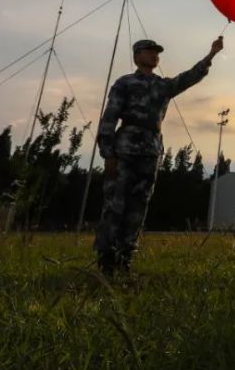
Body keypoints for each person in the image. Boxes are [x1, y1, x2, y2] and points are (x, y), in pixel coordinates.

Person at [94, 36, 223, 276]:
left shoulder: (162, 86)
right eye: (149, 51)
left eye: (156, 52)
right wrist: (108, 154)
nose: (155, 55)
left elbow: (189, 77)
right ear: (136, 56)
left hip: (150, 154)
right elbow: (109, 119)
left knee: (137, 209)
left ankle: (125, 260)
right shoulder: (125, 83)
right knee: (115, 206)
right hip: (124, 153)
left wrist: (211, 54)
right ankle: (106, 260)